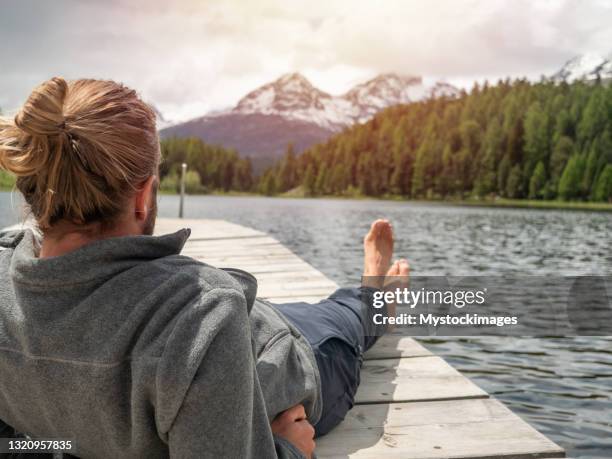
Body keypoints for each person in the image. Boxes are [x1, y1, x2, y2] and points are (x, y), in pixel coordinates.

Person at [0, 78, 408, 459]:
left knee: (300, 309)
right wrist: (287, 450)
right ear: (142, 197)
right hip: (295, 359)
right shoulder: (199, 319)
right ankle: (376, 295)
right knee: (345, 320)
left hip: (248, 329)